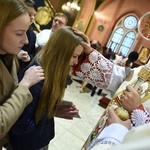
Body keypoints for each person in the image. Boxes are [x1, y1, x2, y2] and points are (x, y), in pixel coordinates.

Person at [9, 26, 87, 150]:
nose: (76, 61)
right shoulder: (37, 77)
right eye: (73, 56)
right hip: (28, 144)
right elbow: (20, 126)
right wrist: (48, 112)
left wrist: (52, 109)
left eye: (78, 56)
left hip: (38, 139)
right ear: (60, 52)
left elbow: (38, 109)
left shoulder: (52, 72)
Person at [0, 0, 44, 149]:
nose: (25, 40)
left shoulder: (9, 55)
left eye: (26, 32)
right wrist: (24, 85)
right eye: (19, 33)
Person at [17, 0, 38, 71]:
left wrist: (29, 57)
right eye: (29, 14)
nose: (32, 17)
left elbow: (33, 53)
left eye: (34, 15)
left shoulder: (33, 35)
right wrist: (15, 54)